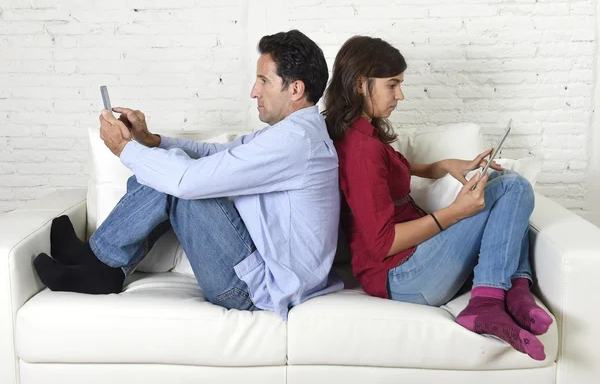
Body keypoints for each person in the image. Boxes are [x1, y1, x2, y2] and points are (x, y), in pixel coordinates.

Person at [33, 29, 343, 320]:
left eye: (263, 80)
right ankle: (98, 260)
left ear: (295, 89)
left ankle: (101, 266)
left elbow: (188, 180)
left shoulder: (294, 142)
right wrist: (152, 141)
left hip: (254, 290)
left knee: (177, 178)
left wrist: (124, 148)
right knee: (166, 165)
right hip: (256, 274)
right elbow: (218, 155)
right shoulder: (292, 133)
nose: (254, 91)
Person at [323, 35, 552, 360]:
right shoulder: (362, 150)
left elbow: (390, 172)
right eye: (393, 85)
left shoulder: (363, 135)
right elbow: (383, 244)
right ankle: (490, 301)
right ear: (361, 84)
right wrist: (455, 212)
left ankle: (515, 293)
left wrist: (443, 165)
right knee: (510, 187)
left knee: (502, 187)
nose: (400, 95)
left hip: (413, 266)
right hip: (400, 275)